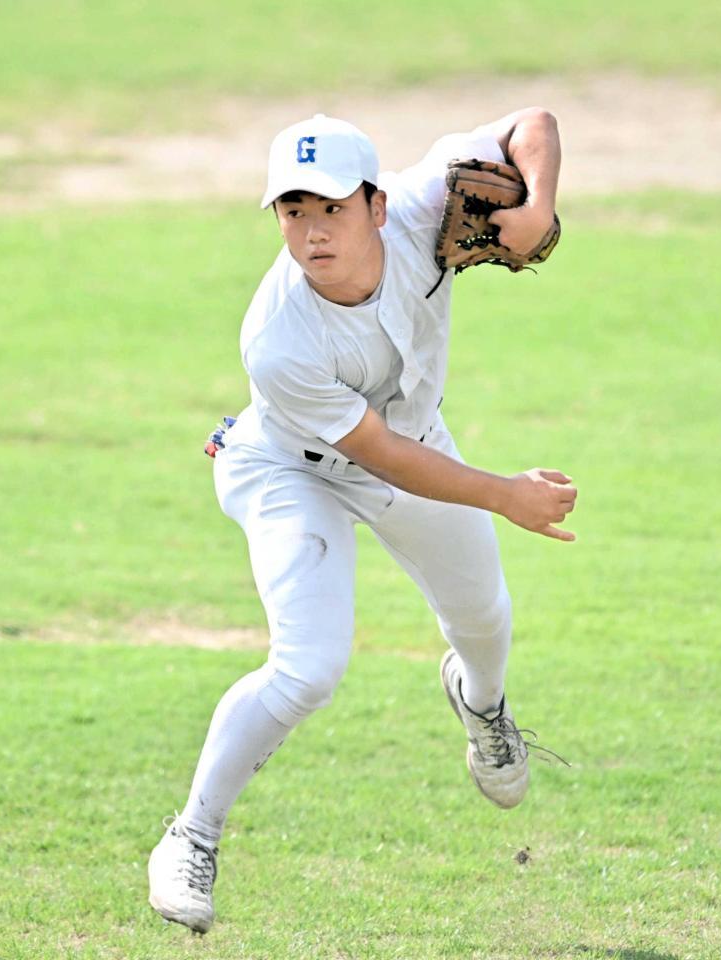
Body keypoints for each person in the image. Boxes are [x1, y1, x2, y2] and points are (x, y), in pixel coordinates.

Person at [148, 111, 577, 934]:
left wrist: (535, 206)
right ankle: (189, 837)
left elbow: (533, 123)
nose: (310, 233)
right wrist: (501, 492)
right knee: (308, 667)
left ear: (378, 206)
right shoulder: (276, 338)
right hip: (290, 470)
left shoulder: (423, 203)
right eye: (292, 211)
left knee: (484, 621)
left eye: (331, 209)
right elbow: (377, 454)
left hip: (411, 444)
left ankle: (480, 708)